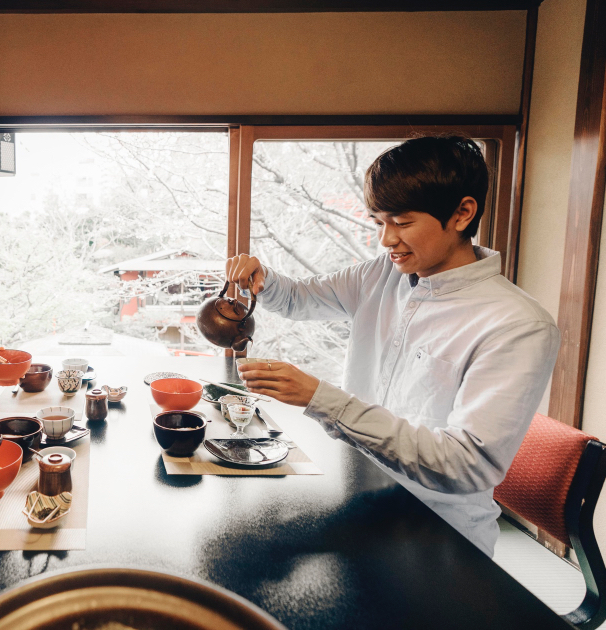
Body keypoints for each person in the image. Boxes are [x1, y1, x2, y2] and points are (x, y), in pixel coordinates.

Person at [226, 136, 560, 556]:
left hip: (435, 536)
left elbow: (465, 465)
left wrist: (322, 398)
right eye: (378, 221)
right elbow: (298, 299)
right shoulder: (382, 275)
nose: (385, 240)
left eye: (401, 223)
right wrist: (262, 277)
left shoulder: (517, 325)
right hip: (358, 496)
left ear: (462, 213)